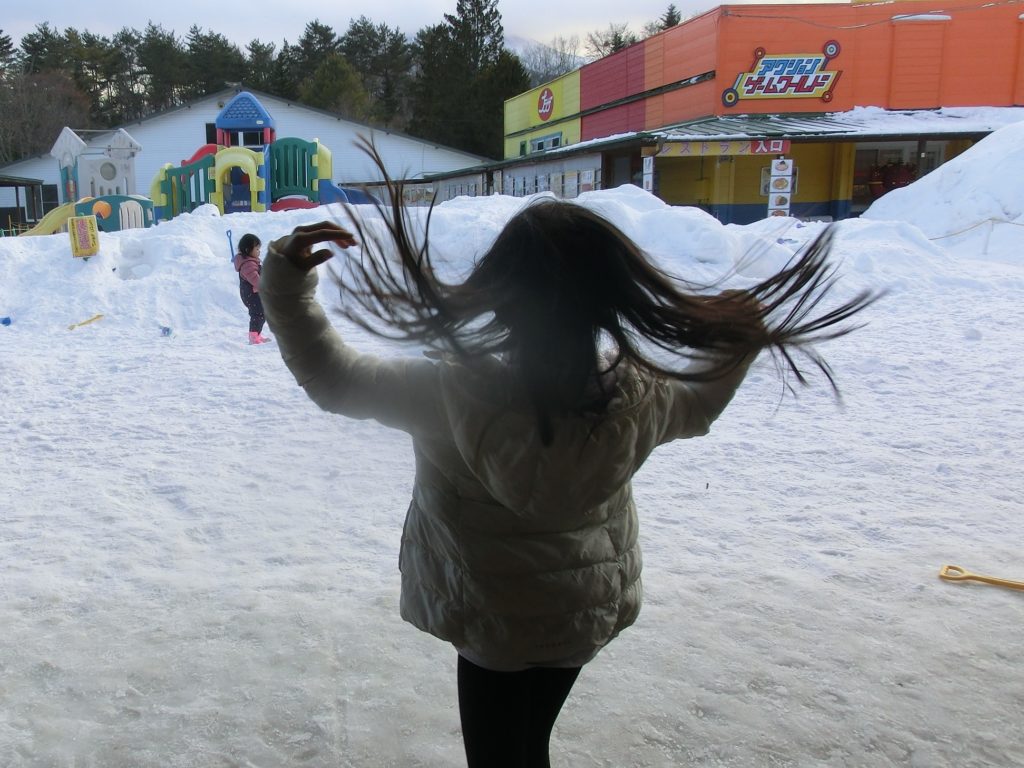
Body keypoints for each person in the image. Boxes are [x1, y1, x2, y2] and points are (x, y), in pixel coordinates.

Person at [260, 149, 877, 768]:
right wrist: (739, 340)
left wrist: (285, 282)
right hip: (577, 622)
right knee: (529, 746)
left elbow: (332, 378)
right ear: (606, 301)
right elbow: (700, 407)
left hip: (490, 622)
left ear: (499, 295)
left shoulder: (445, 393)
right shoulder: (639, 398)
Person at [232, 232, 269, 344]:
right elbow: (255, 280)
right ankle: (253, 337)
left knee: (261, 313)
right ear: (248, 250)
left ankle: (257, 335)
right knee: (258, 314)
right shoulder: (248, 264)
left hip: (253, 293)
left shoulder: (250, 262)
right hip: (251, 295)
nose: (259, 251)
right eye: (257, 249)